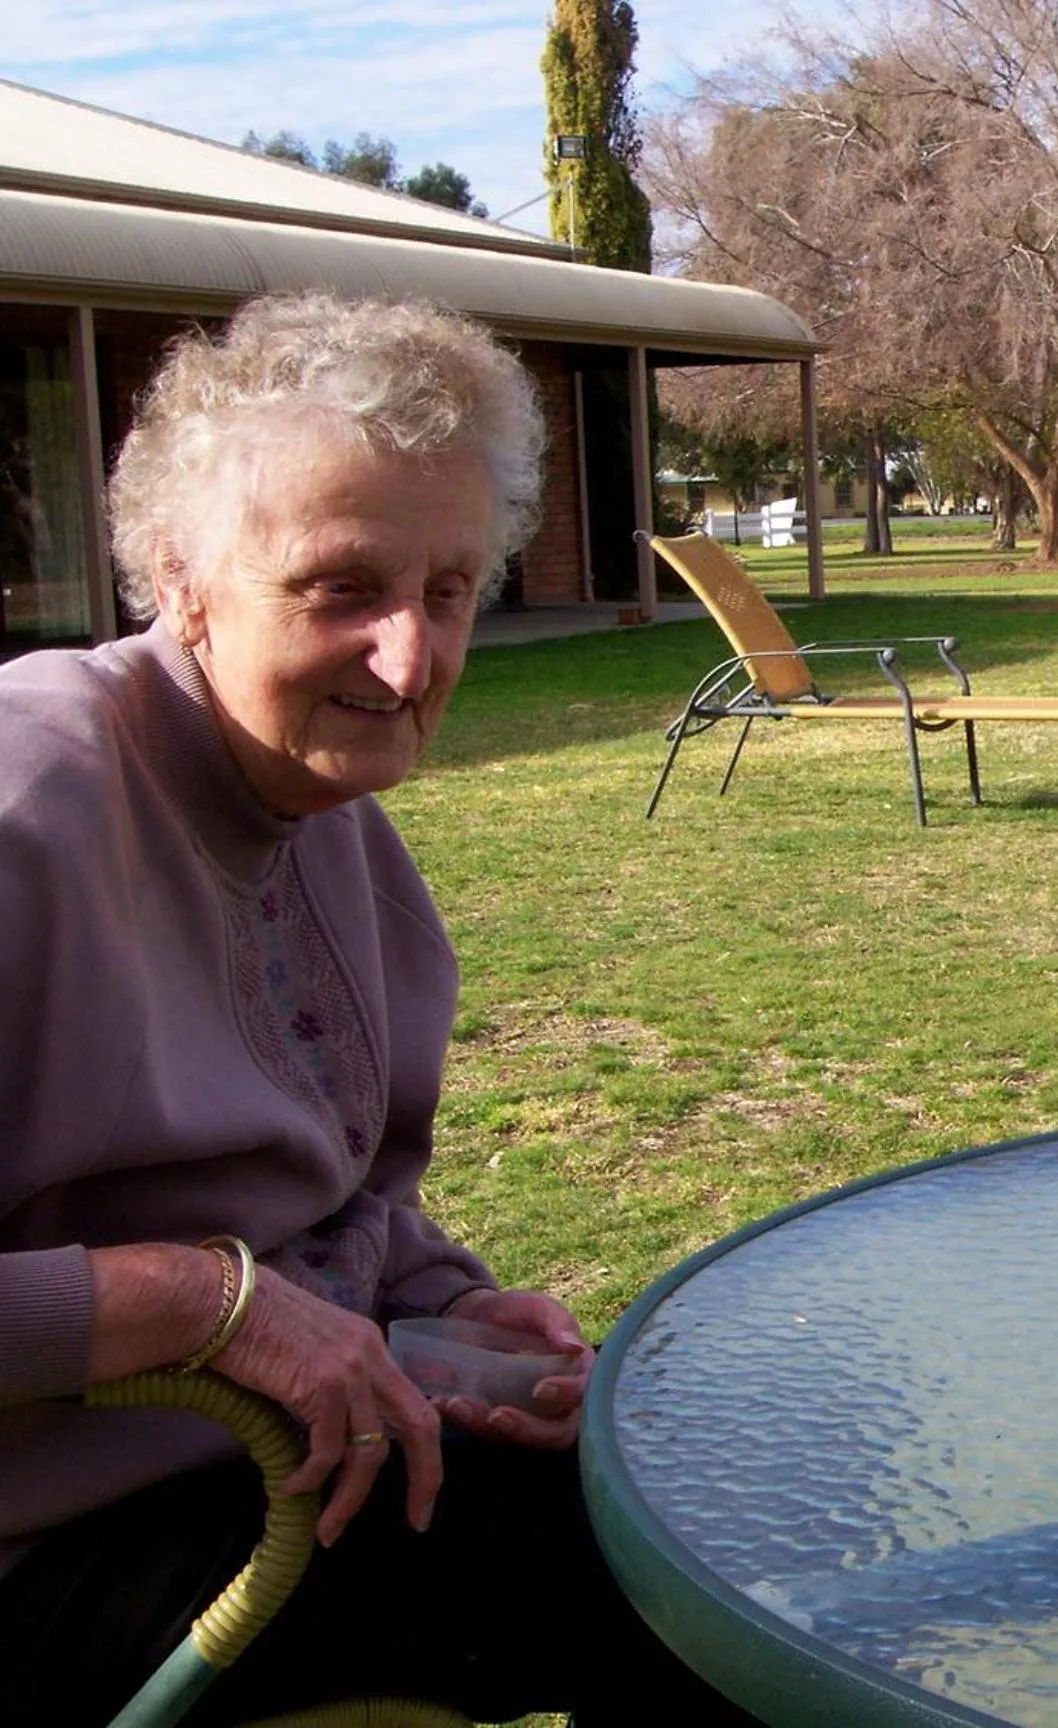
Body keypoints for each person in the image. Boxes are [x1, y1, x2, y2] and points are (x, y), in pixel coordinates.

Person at [0, 295, 755, 1725]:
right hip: (56, 1555)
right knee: (698, 1594)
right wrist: (192, 1307)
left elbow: (336, 1197)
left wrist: (447, 1299)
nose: (412, 665)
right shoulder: (26, 798)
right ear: (184, 580)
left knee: (722, 1512)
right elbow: (234, 1271)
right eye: (342, 589)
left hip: (292, 1457)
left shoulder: (331, 819)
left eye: (451, 589)